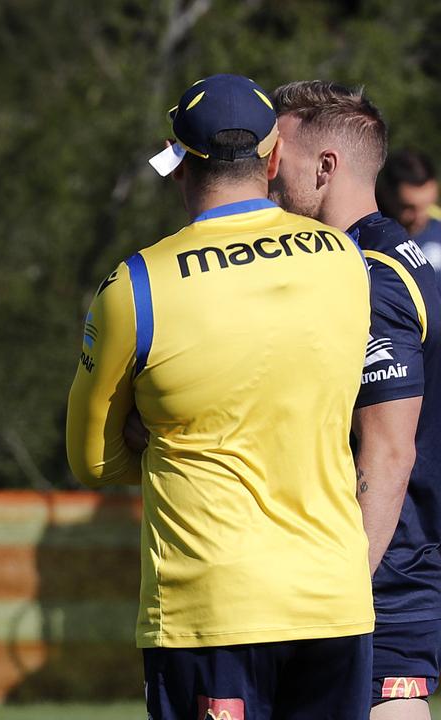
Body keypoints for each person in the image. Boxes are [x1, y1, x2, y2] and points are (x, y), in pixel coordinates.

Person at [66, 74, 374, 719]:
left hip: (211, 605)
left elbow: (92, 460)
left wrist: (160, 445)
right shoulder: (346, 258)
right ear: (272, 159)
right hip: (334, 599)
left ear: (175, 160)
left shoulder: (135, 285)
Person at [271, 80, 441, 719]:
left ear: (325, 166)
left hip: (380, 575)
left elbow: (390, 450)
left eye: (277, 159)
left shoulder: (368, 275)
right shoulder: (377, 256)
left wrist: (345, 593)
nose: (265, 176)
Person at [377, 149, 441, 279]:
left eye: (427, 205)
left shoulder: (438, 226)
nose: (420, 217)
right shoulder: (367, 236)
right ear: (387, 195)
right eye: (408, 208)